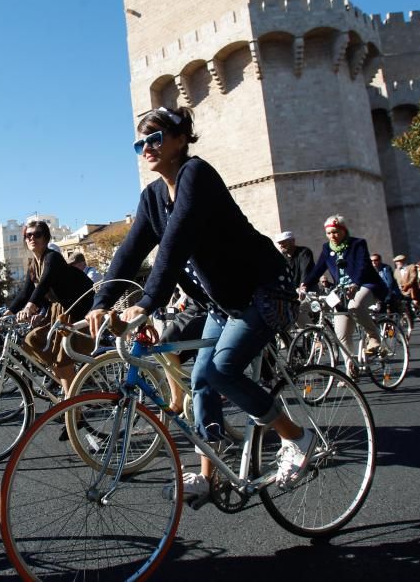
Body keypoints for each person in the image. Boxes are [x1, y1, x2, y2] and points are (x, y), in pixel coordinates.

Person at [85, 105, 312, 503]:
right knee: (201, 382)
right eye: (140, 142)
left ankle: (296, 437)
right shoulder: (153, 196)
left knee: (223, 371)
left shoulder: (197, 175)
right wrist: (99, 301)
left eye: (155, 138)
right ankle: (209, 474)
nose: (146, 148)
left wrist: (147, 304)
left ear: (180, 139)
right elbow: (128, 252)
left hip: (263, 289)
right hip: (221, 303)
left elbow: (174, 244)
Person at [6, 220, 95, 395]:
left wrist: (30, 307)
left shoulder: (52, 257)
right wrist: (6, 314)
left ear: (46, 238)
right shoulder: (33, 265)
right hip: (57, 310)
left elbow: (43, 285)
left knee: (63, 359)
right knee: (32, 340)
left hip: (73, 309)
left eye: (37, 234)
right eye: (28, 235)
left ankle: (74, 409)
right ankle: (68, 388)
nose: (32, 238)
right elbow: (25, 293)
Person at [302, 215, 387, 356]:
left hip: (364, 285)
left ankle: (373, 337)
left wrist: (355, 283)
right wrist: (305, 284)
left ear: (344, 230)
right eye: (329, 233)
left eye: (335, 232)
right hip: (341, 290)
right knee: (341, 334)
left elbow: (363, 265)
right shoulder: (326, 248)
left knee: (355, 306)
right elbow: (318, 269)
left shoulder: (357, 244)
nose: (332, 236)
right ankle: (350, 372)